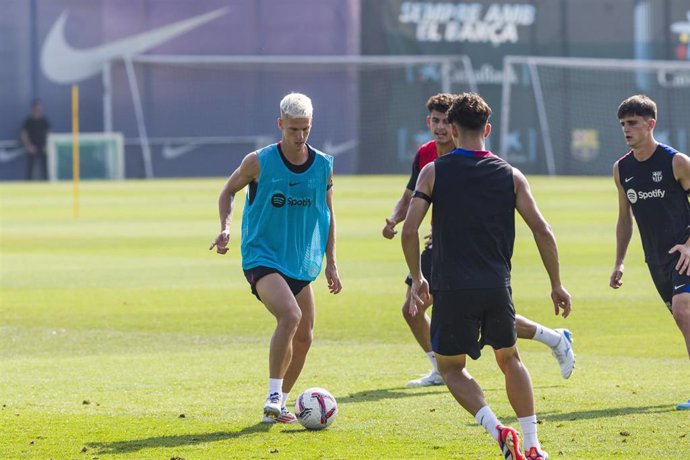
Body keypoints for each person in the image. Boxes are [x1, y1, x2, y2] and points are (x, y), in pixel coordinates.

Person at [401, 92, 571, 460]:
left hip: (452, 286)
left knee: (450, 368)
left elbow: (410, 230)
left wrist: (417, 277)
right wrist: (556, 284)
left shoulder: (434, 171)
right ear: (488, 130)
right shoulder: (510, 175)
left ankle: (496, 428)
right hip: (496, 285)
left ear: (455, 129)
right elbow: (543, 229)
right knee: (510, 360)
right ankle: (533, 445)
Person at [209, 92, 342, 423]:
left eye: (305, 130)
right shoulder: (259, 161)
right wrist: (225, 228)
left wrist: (332, 262)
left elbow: (328, 213)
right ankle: (272, 393)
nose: (300, 137)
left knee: (306, 334)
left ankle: (279, 404)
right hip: (262, 256)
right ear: (280, 124)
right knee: (290, 315)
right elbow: (228, 191)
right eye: (294, 129)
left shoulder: (323, 165)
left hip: (300, 261)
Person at [610, 94, 690, 411]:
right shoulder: (622, 169)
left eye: (632, 124)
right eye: (622, 125)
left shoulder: (677, 162)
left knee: (685, 312)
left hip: (684, 253)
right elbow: (624, 219)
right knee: (683, 320)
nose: (626, 130)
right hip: (655, 260)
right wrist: (619, 262)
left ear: (650, 124)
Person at [21, 99, 51, 180]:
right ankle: (28, 186)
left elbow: (49, 133)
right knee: (30, 168)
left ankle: (47, 184)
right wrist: (29, 146)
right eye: (36, 108)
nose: (38, 110)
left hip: (43, 146)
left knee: (45, 168)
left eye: (39, 108)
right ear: (33, 108)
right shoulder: (29, 121)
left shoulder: (44, 120)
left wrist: (47, 145)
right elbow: (24, 134)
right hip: (32, 147)